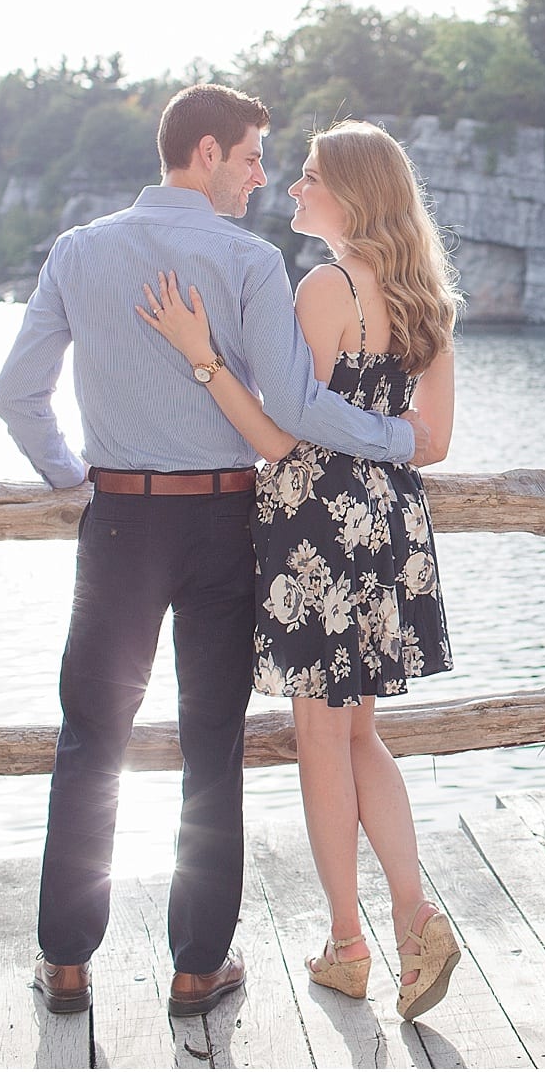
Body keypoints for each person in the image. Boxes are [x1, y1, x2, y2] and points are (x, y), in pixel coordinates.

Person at [0, 85, 426, 1020]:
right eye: (249, 158)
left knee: (91, 739)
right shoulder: (249, 260)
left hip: (116, 522)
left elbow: (17, 391)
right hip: (226, 524)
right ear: (202, 152)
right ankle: (197, 968)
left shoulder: (79, 250)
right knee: (211, 749)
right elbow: (301, 413)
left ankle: (66, 962)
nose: (260, 177)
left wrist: (72, 476)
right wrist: (404, 441)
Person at [137, 117, 462, 1021]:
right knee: (360, 737)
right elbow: (432, 442)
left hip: (318, 527)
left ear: (352, 193)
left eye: (310, 175)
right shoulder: (426, 297)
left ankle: (356, 942)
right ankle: (409, 922)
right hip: (392, 526)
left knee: (323, 740)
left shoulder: (325, 286)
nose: (293, 189)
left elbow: (282, 431)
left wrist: (201, 358)